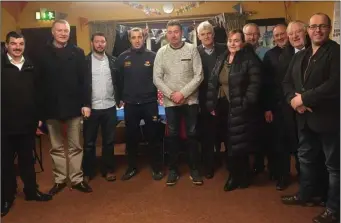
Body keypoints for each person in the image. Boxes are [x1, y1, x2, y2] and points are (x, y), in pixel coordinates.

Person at [282, 13, 339, 223]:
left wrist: (304, 99)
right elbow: (287, 83)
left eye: (322, 26)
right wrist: (294, 102)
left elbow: (334, 84)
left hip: (328, 119)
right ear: (309, 30)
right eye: (313, 26)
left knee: (333, 166)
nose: (317, 30)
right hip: (304, 118)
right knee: (305, 159)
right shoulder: (300, 55)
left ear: (329, 28)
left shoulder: (336, 52)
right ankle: (306, 194)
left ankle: (334, 209)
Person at [1, 31, 52, 217]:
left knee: (27, 162)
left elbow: (39, 94)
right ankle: (6, 197)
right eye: (13, 44)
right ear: (6, 45)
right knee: (5, 164)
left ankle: (31, 192)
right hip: (4, 126)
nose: (17, 47)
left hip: (27, 124)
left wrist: (38, 118)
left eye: (20, 44)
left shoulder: (31, 65)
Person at [39, 19, 92, 195]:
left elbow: (85, 81)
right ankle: (60, 179)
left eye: (66, 31)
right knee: (56, 147)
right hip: (51, 107)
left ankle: (77, 179)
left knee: (76, 146)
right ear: (53, 32)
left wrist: (86, 104)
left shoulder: (78, 52)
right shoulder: (42, 53)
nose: (63, 33)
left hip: (74, 107)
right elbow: (37, 83)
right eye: (60, 30)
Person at [206, 29, 262, 191]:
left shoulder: (249, 59)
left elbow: (254, 86)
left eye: (236, 40)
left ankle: (240, 176)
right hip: (223, 105)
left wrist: (245, 104)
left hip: (241, 108)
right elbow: (212, 82)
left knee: (240, 145)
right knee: (229, 143)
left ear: (243, 42)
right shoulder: (222, 57)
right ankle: (234, 174)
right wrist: (212, 104)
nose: (232, 43)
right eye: (230, 40)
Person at [153, 20, 204, 186]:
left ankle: (194, 169)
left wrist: (183, 93)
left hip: (190, 101)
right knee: (172, 136)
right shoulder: (161, 52)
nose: (173, 35)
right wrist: (171, 94)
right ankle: (173, 170)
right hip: (170, 103)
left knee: (192, 135)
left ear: (182, 33)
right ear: (166, 34)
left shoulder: (192, 49)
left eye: (176, 31)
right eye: (170, 32)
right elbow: (157, 78)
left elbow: (199, 75)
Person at [116, 27, 164, 181]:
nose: (137, 40)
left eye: (139, 37)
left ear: (144, 38)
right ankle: (131, 167)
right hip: (130, 104)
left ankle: (156, 168)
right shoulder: (122, 57)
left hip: (150, 103)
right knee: (131, 138)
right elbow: (118, 81)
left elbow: (160, 78)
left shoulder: (153, 56)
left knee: (153, 137)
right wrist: (120, 98)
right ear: (129, 39)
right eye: (133, 37)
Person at [82, 32, 121, 183]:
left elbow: (118, 82)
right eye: (97, 42)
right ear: (92, 43)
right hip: (91, 108)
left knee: (109, 141)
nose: (100, 44)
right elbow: (80, 85)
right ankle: (88, 171)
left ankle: (108, 169)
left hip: (110, 106)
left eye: (102, 42)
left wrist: (119, 99)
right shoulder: (84, 61)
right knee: (89, 143)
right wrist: (84, 104)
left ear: (106, 43)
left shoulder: (113, 61)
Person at [262, 24, 293, 190]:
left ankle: (306, 176)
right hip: (277, 106)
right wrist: (267, 108)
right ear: (273, 38)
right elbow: (266, 85)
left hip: (297, 104)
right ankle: (283, 176)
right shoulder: (269, 55)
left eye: (283, 34)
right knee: (280, 143)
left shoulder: (299, 51)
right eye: (277, 35)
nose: (280, 37)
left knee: (301, 143)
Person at [196, 21, 226, 179]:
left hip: (223, 97)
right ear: (198, 36)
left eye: (209, 33)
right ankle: (208, 165)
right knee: (207, 134)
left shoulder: (224, 49)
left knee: (226, 131)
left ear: (213, 35)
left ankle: (230, 163)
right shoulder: (195, 52)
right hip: (203, 99)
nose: (206, 36)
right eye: (203, 34)